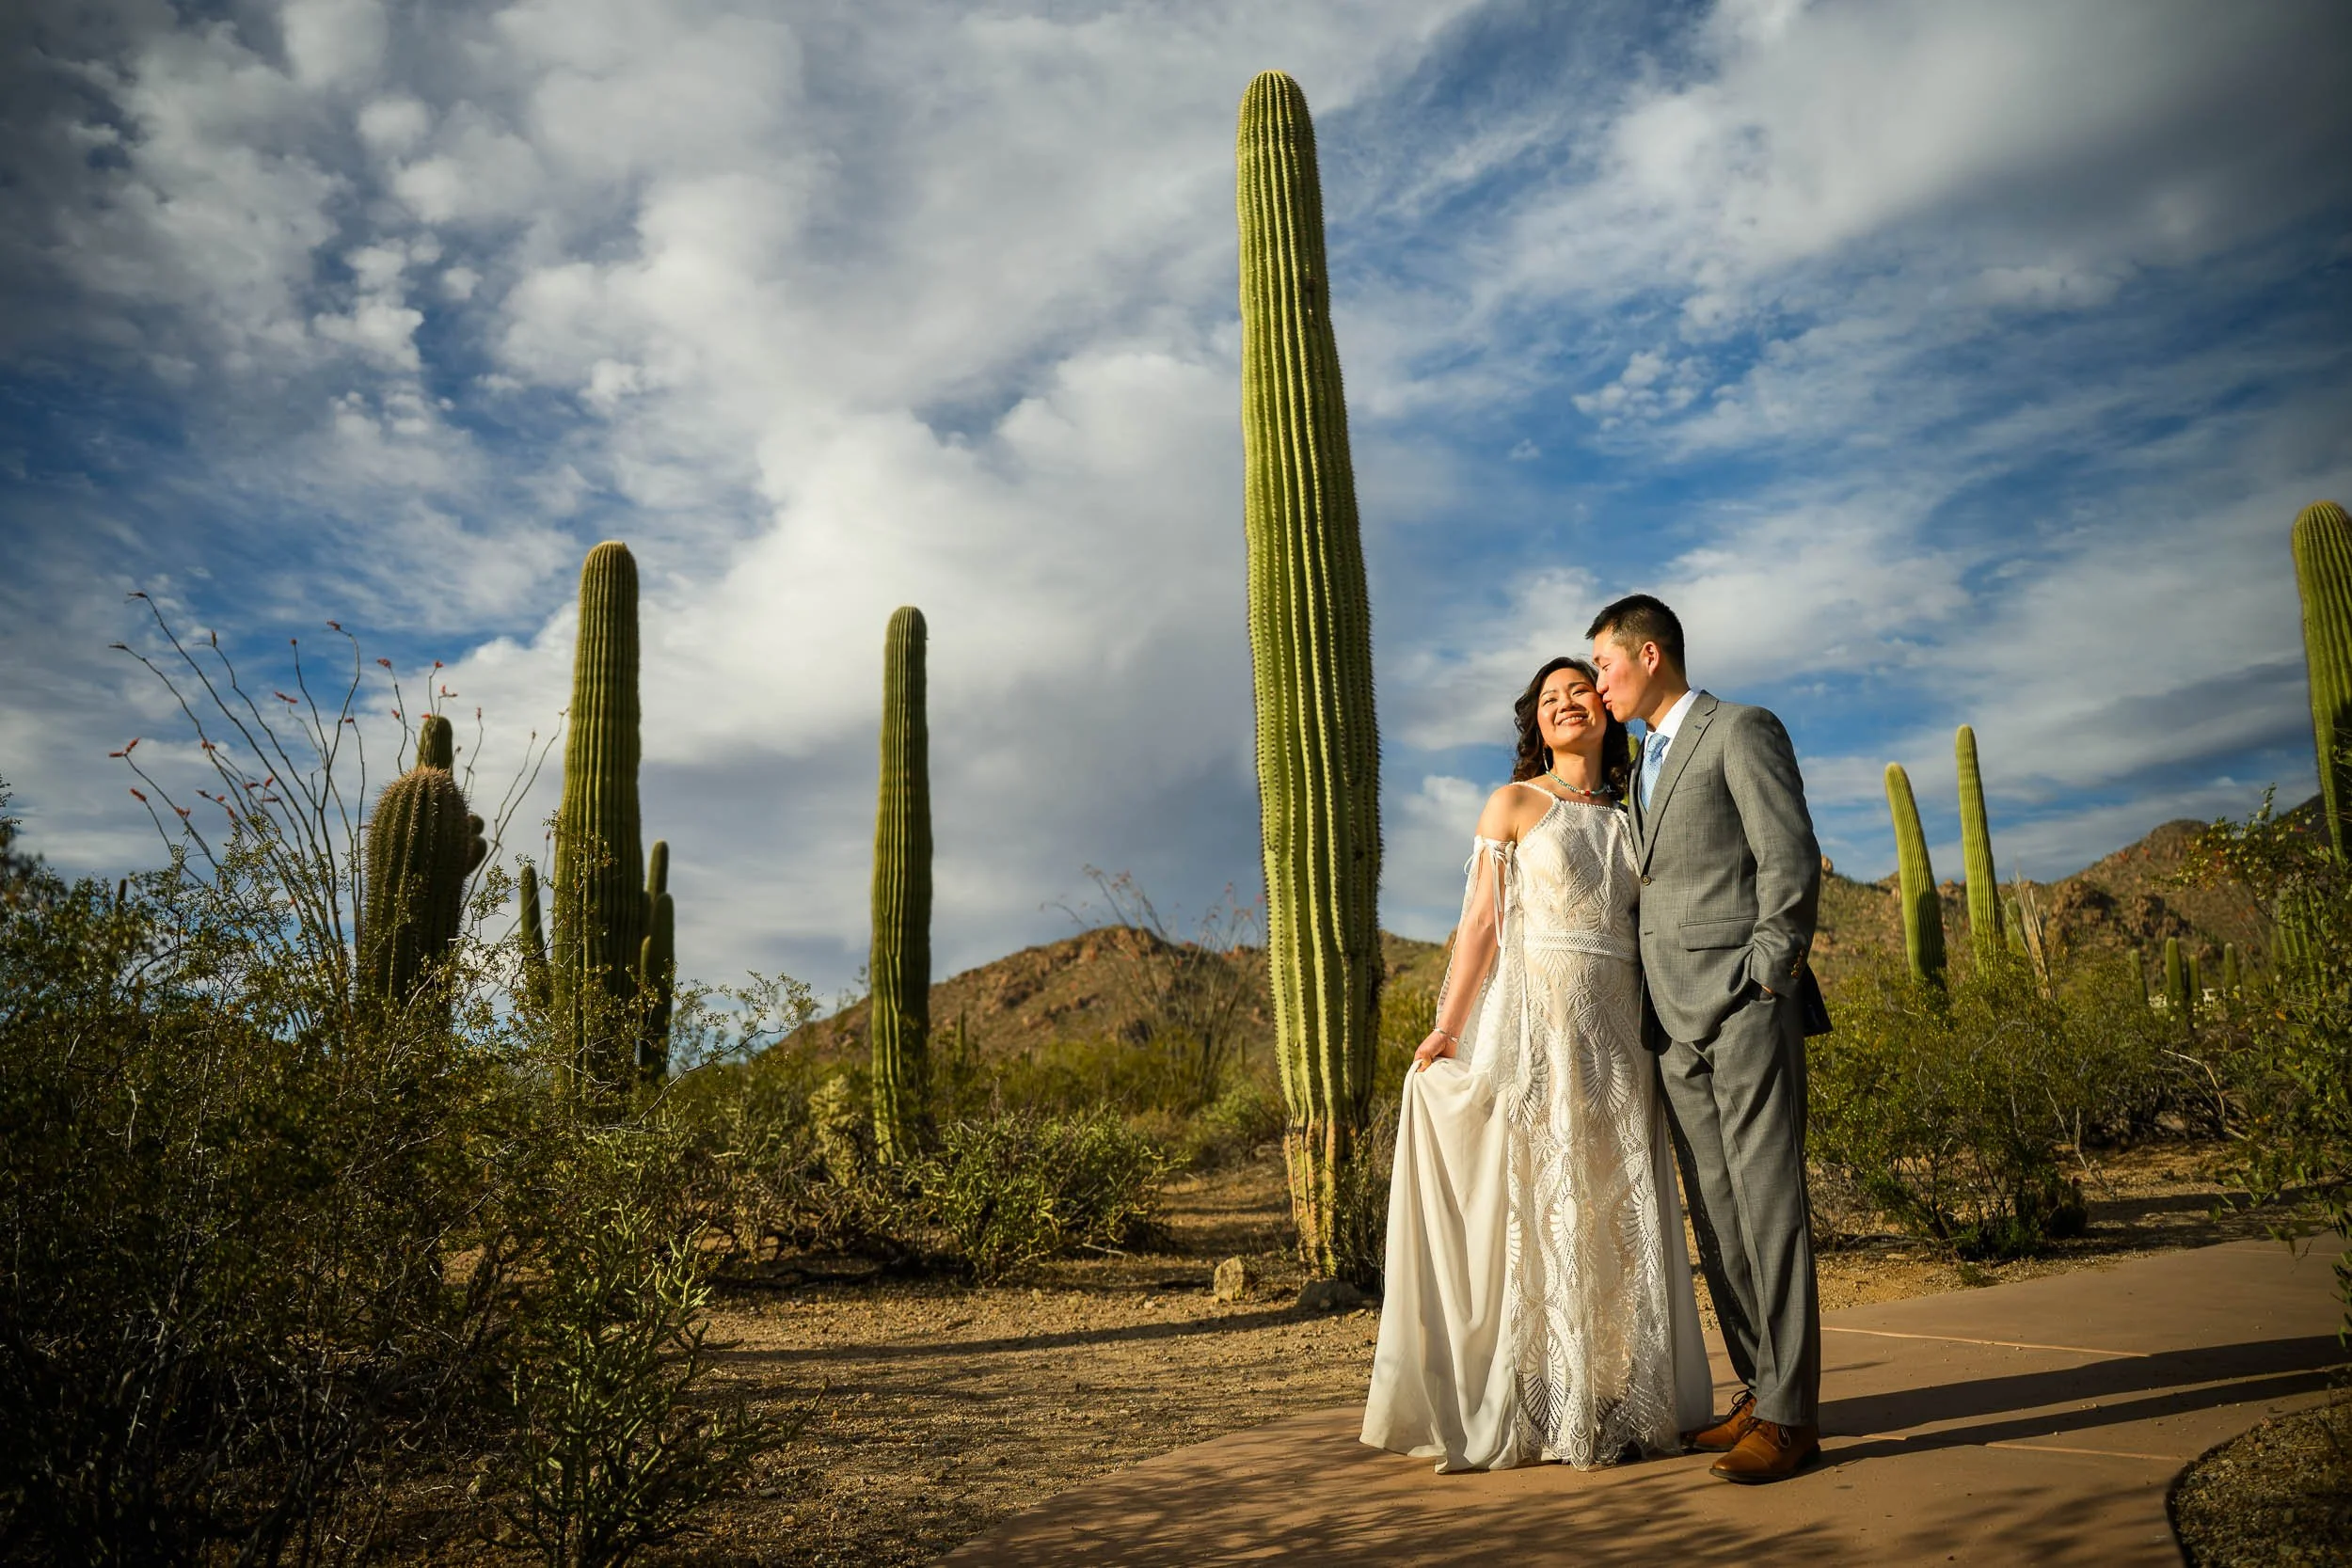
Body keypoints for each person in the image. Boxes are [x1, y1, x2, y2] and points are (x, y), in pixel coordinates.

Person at [1360, 657, 1713, 1472]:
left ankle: (1625, 1400)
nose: (1564, 705)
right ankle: (1542, 1405)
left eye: (1579, 692)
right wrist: (1447, 1027)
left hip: (1623, 1039)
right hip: (1538, 1032)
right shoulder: (1515, 803)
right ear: (1536, 722)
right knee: (1543, 1207)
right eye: (1549, 699)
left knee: (1613, 1215)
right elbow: (1481, 923)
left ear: (1605, 709)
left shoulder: (1637, 811)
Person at [1587, 593, 1825, 1484]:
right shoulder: (1642, 758)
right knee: (1721, 1217)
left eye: (1605, 664)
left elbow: (1789, 857)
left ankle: (1795, 1419)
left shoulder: (1739, 729)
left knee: (1770, 1209)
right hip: (1670, 1020)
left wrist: (1766, 975)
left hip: (1742, 1006)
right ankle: (1762, 1392)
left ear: (1649, 654)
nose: (1599, 683)